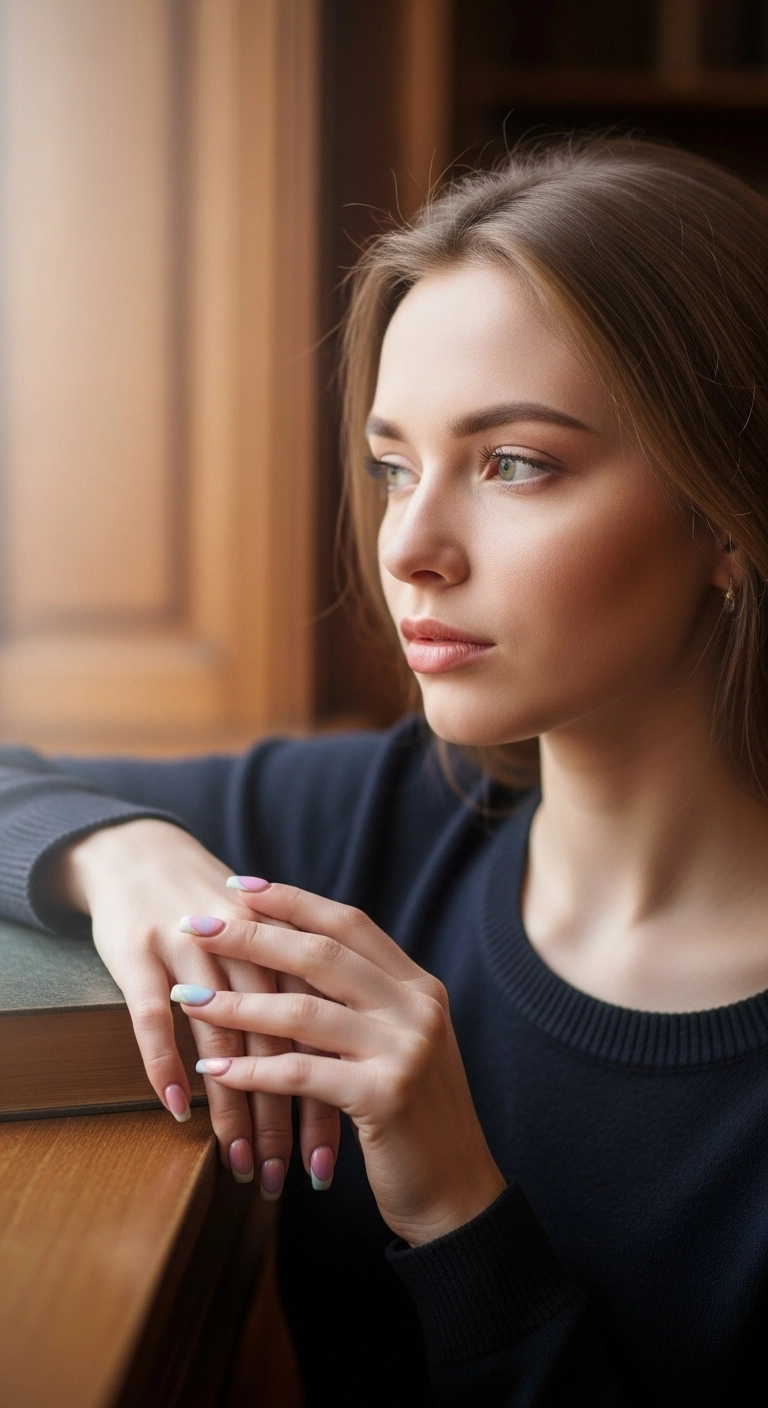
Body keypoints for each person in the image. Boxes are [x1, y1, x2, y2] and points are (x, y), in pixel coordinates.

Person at [1, 135, 768, 1407]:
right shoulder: (382, 815)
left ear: (730, 514)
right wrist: (126, 851)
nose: (409, 544)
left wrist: (458, 1206)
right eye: (393, 465)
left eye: (515, 462)